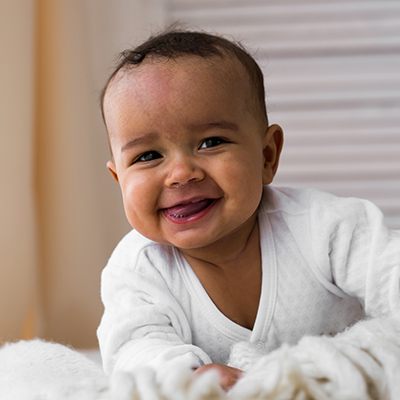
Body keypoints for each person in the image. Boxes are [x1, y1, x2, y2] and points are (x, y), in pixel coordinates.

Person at [97, 29, 400, 393]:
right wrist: (189, 375)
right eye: (148, 156)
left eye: (211, 142)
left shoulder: (325, 227)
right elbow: (132, 347)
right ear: (118, 179)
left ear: (267, 155)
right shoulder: (138, 268)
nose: (180, 174)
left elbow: (389, 268)